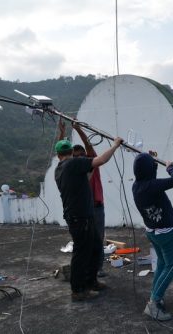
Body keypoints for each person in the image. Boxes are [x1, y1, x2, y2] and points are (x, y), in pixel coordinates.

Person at [54, 125, 123, 302]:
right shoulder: (73, 164)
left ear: (58, 155)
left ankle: (91, 281)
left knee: (94, 248)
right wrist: (115, 145)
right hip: (80, 217)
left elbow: (86, 174)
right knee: (81, 253)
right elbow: (100, 160)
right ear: (71, 152)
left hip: (83, 215)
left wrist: (62, 133)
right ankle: (77, 290)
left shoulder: (60, 168)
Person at [132, 152, 173, 321]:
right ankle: (153, 302)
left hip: (152, 232)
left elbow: (149, 177)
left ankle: (156, 296)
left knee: (162, 263)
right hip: (165, 233)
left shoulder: (137, 186)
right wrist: (170, 167)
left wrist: (152, 162)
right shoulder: (152, 186)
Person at [59, 119, 107, 277]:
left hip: (96, 207)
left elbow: (89, 147)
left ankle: (96, 270)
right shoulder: (72, 168)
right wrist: (62, 133)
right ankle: (86, 274)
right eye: (76, 156)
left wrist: (79, 130)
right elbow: (61, 154)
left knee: (98, 241)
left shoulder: (90, 163)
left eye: (82, 156)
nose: (79, 158)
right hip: (83, 211)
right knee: (85, 245)